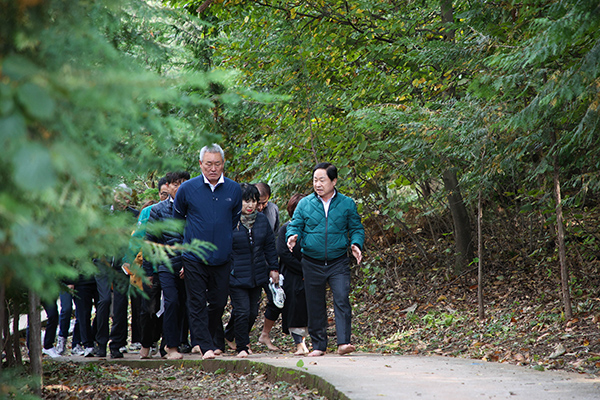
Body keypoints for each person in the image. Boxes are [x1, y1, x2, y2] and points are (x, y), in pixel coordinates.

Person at [286, 162, 364, 356]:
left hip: (338, 261)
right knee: (314, 303)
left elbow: (356, 227)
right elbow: (295, 224)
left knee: (341, 298)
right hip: (312, 261)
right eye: (315, 180)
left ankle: (344, 343)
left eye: (322, 180)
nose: (318, 184)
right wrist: (292, 236)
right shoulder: (305, 204)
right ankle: (319, 345)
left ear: (334, 181)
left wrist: (356, 243)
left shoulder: (347, 203)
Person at [173, 144, 242, 360]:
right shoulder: (187, 189)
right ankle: (205, 346)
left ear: (223, 164)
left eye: (217, 164)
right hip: (193, 257)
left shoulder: (233, 189)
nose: (213, 168)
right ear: (201, 164)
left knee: (219, 302)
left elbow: (233, 220)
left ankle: (209, 338)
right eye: (208, 164)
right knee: (196, 302)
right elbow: (178, 222)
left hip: (222, 257)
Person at [228, 183, 279, 358]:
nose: (249, 205)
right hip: (236, 274)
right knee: (241, 311)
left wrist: (274, 268)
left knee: (252, 312)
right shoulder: (230, 220)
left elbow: (270, 246)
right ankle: (242, 346)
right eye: (245, 201)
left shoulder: (262, 220)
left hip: (257, 274)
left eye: (253, 201)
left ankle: (230, 335)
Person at [145, 171, 190, 360]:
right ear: (168, 186)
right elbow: (149, 241)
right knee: (170, 302)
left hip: (189, 263)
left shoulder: (194, 208)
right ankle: (171, 347)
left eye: (184, 183)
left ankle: (182, 342)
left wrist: (188, 261)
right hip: (166, 265)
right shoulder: (158, 210)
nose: (179, 187)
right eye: (175, 184)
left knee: (187, 305)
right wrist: (148, 271)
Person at [278, 194, 309, 355]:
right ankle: (298, 343)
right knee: (294, 309)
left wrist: (310, 269)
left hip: (311, 274)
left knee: (309, 307)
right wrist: (302, 269)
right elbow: (284, 254)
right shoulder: (285, 228)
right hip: (291, 275)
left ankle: (308, 340)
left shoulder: (312, 229)